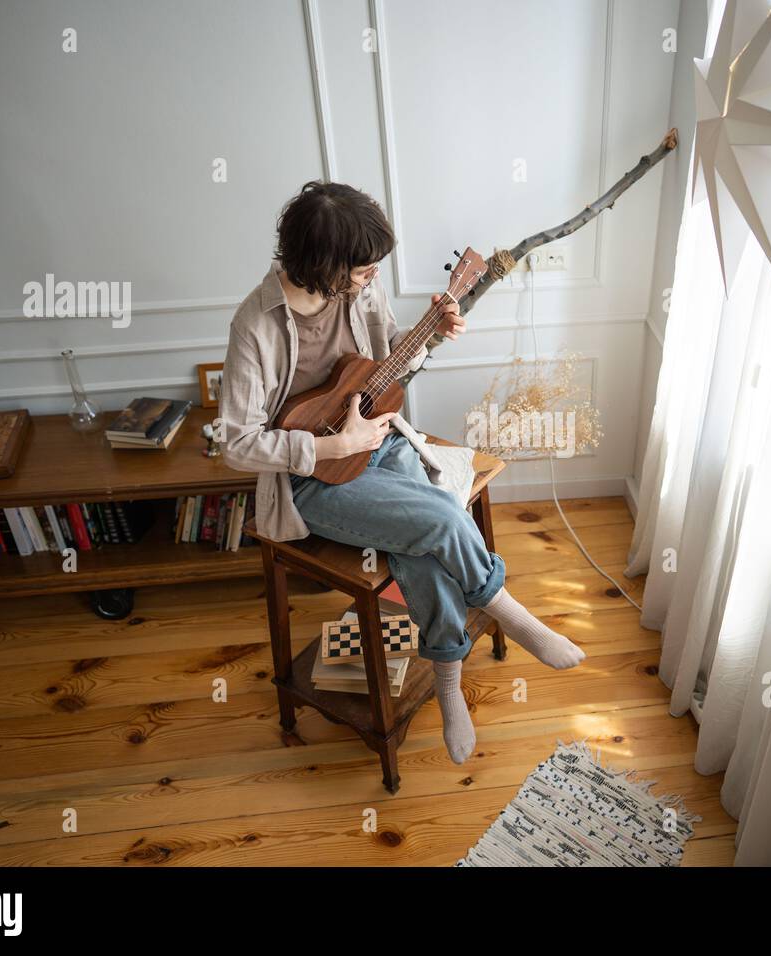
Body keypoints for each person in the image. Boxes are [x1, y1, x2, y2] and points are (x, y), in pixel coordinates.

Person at [219, 181, 585, 764]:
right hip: (312, 479)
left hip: (379, 443)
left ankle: (447, 685)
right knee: (441, 516)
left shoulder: (359, 291)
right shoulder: (255, 326)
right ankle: (508, 612)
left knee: (422, 542)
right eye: (361, 270)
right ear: (323, 265)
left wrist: (430, 336)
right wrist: (333, 443)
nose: (371, 278)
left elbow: (388, 359)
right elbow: (236, 443)